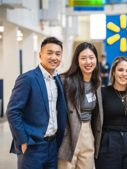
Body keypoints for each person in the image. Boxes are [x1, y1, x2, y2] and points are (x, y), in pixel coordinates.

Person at [6, 37, 67, 169]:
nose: (54, 57)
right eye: (49, 53)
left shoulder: (58, 80)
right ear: (40, 55)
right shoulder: (28, 78)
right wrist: (22, 140)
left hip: (52, 145)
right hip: (32, 146)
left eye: (58, 54)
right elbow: (12, 111)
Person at [58, 42, 103, 169]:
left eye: (91, 57)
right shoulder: (65, 81)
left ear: (96, 59)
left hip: (88, 133)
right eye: (83, 58)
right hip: (68, 134)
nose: (88, 62)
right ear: (77, 61)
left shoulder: (97, 83)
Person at [95, 56, 127, 169]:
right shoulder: (102, 93)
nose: (124, 74)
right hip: (109, 142)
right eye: (120, 70)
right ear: (113, 72)